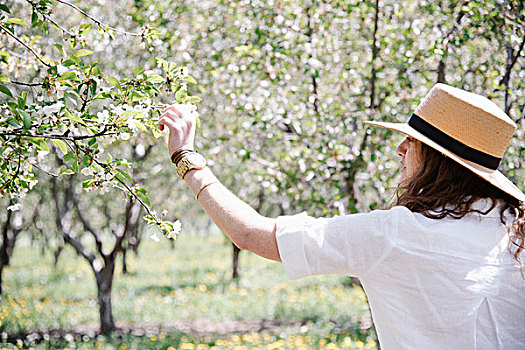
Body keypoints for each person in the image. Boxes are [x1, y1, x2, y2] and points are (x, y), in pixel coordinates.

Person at [158, 83, 525, 349]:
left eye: (412, 142)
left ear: (437, 161)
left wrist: (186, 158)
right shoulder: (516, 230)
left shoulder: (393, 235)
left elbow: (252, 234)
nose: (400, 149)